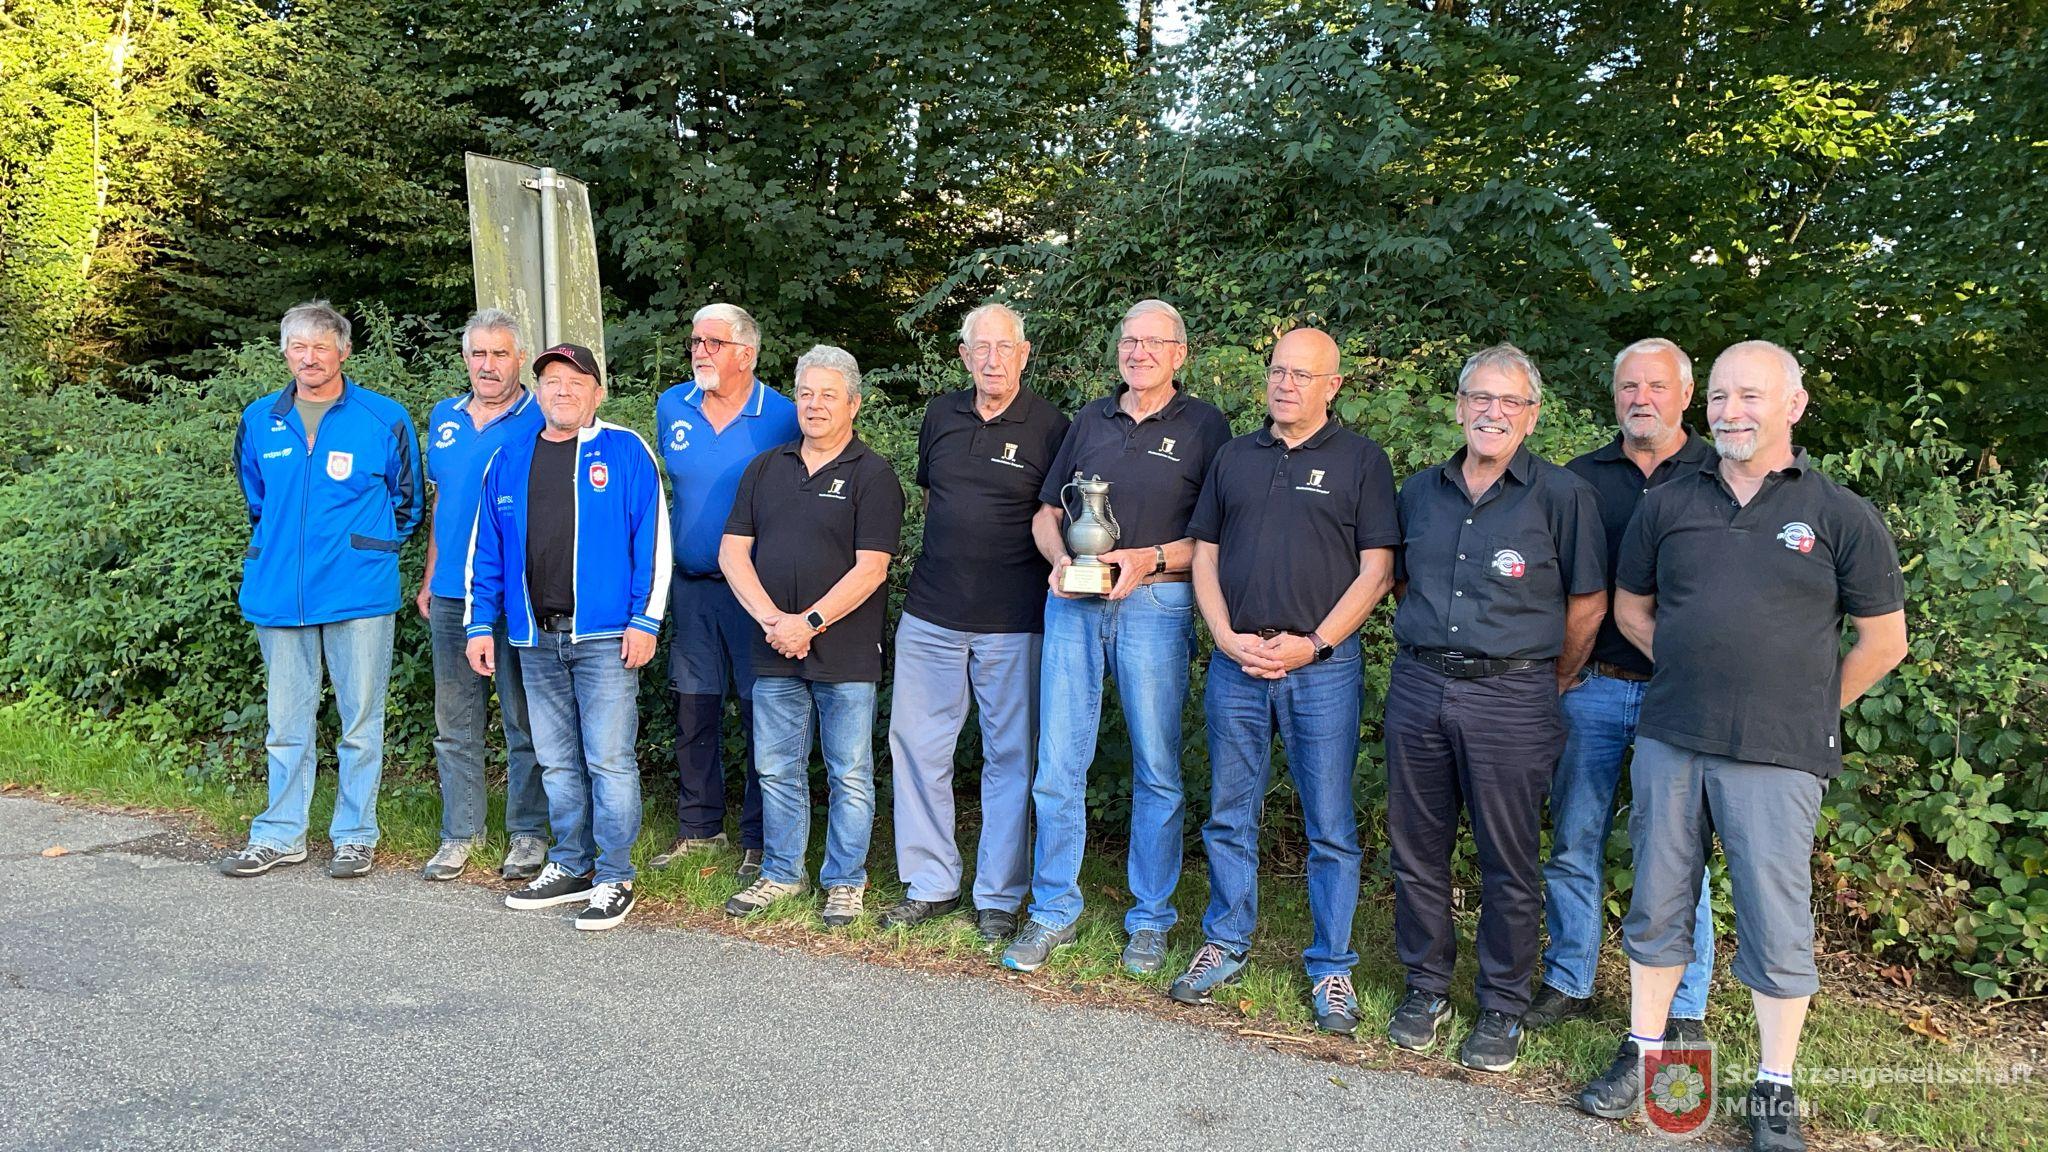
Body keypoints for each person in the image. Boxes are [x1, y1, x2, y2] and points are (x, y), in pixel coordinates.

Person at [1576, 341, 1907, 1152]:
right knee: (1657, 904)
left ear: (1793, 405)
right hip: (1672, 737)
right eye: (1721, 396)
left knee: (1773, 918)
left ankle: (1774, 1088)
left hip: (1778, 754)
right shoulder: (1669, 502)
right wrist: (1689, 668)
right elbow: (1631, 608)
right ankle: (1644, 1050)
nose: (1731, 411)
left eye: (1750, 396)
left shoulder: (1840, 514)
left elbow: (1884, 641)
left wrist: (1805, 706)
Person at [1381, 342, 1606, 1071]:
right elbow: (1404, 584)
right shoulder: (1420, 491)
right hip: (1420, 684)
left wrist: (1552, 679)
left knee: (1508, 857)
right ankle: (1426, 988)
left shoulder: (1563, 497)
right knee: (1417, 848)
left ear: (1532, 416)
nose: (1493, 412)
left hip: (1514, 693)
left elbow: (1587, 601)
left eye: (1510, 401)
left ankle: (1503, 1003)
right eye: (1481, 397)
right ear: (1459, 407)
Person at [1175, 328, 1397, 1034]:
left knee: (1329, 825)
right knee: (1228, 812)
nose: (1286, 384)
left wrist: (1315, 644)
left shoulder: (1362, 460)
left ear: (1333, 386)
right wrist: (1221, 634)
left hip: (1321, 669)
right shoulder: (1235, 456)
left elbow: (1377, 571)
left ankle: (1332, 966)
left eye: (1303, 374)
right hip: (1238, 661)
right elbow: (1205, 553)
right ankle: (1225, 940)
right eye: (1278, 371)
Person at [1000, 299, 1231, 975]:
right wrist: (1058, 564)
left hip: (1157, 605)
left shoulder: (1206, 426)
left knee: (1155, 768)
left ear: (1180, 354)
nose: (1139, 352)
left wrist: (1148, 559)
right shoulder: (1090, 420)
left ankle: (1151, 919)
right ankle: (1052, 910)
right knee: (1057, 765)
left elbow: (1217, 538)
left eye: (1154, 342)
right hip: (1074, 607)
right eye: (1129, 341)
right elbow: (1046, 512)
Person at [1529, 338, 1717, 1032]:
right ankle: (1569, 978)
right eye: (1629, 387)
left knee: (1679, 853)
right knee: (1573, 839)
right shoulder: (1579, 479)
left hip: (1680, 695)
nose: (1642, 399)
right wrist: (1558, 674)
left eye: (1657, 386)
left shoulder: (1720, 476)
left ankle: (1683, 1005)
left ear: (1686, 394)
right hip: (1594, 686)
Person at [881, 303, 1069, 942]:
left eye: (1004, 347)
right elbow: (934, 497)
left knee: (1010, 757)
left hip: (1013, 620)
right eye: (980, 348)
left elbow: (1055, 516)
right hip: (931, 612)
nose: (992, 359)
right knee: (917, 749)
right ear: (963, 356)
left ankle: (998, 896)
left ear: (1025, 353)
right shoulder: (940, 415)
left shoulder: (1053, 427)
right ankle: (930, 883)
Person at [465, 343, 670, 932]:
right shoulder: (510, 457)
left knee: (608, 760)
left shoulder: (625, 451)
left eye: (576, 382)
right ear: (539, 392)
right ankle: (572, 863)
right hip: (536, 637)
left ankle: (615, 875)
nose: (563, 390)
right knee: (556, 761)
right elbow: (487, 550)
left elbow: (653, 540)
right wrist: (479, 624)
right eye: (552, 381)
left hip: (606, 637)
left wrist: (646, 620)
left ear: (597, 393)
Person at [218, 301, 422, 880]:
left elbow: (407, 505)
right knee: (286, 726)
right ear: (285, 353)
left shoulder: (383, 417)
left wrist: (366, 550)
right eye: (298, 347)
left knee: (360, 724)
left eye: (321, 347)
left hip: (358, 593)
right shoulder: (260, 418)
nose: (309, 358)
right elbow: (258, 500)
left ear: (344, 352)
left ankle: (355, 836)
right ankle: (280, 834)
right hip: (279, 593)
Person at [719, 345, 905, 929]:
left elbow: (872, 569)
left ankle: (845, 881)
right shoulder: (765, 468)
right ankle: (781, 873)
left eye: (828, 394)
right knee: (777, 768)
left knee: (849, 773)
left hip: (845, 653)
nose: (815, 405)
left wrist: (810, 623)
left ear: (853, 404)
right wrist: (774, 622)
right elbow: (732, 553)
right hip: (773, 646)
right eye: (805, 393)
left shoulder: (874, 476)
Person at [650, 303, 800, 881]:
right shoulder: (673, 406)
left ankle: (760, 839)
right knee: (694, 710)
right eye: (695, 341)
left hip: (757, 595)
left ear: (747, 353)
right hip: (691, 588)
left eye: (713, 342)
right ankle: (699, 830)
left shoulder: (782, 416)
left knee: (763, 715)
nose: (700, 351)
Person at [414, 309, 549, 882]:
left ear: (520, 359)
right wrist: (430, 575)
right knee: (455, 721)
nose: (488, 365)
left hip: (518, 594)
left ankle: (529, 833)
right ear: (465, 358)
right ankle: (460, 834)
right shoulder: (444, 417)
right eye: (478, 354)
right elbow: (443, 500)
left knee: (526, 720)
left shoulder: (542, 415)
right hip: (453, 593)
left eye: (499, 354)